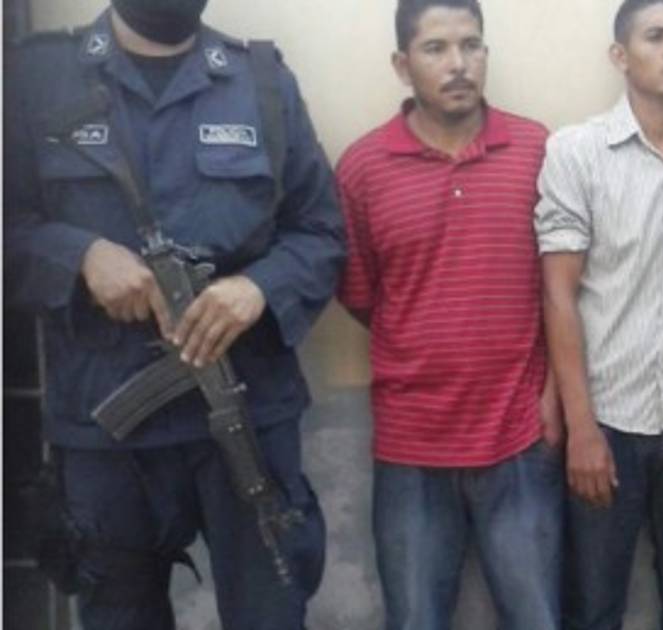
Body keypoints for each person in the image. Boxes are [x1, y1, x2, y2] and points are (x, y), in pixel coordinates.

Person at [3, 0, 345, 627]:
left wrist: (258, 288)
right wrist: (79, 257)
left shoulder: (261, 81)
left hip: (245, 415)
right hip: (105, 425)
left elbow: (321, 233)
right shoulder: (39, 76)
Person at [335, 1, 563, 628]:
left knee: (539, 618)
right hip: (412, 444)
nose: (458, 63)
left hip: (520, 436)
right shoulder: (362, 169)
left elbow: (564, 286)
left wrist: (551, 394)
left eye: (471, 45)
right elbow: (361, 295)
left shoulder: (537, 150)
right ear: (401, 65)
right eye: (436, 48)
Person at [535, 1, 663, 628]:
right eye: (657, 36)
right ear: (620, 56)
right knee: (593, 609)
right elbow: (559, 296)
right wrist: (581, 428)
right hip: (608, 422)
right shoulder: (576, 153)